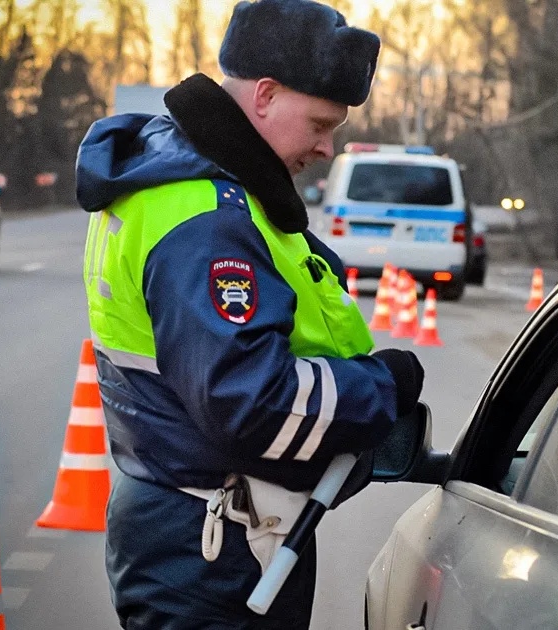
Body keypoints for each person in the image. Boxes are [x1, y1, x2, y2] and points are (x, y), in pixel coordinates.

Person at [74, 1, 425, 627]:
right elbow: (254, 404)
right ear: (265, 95)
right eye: (320, 123)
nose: (327, 147)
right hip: (212, 548)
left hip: (200, 530)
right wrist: (382, 386)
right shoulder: (207, 219)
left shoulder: (191, 180)